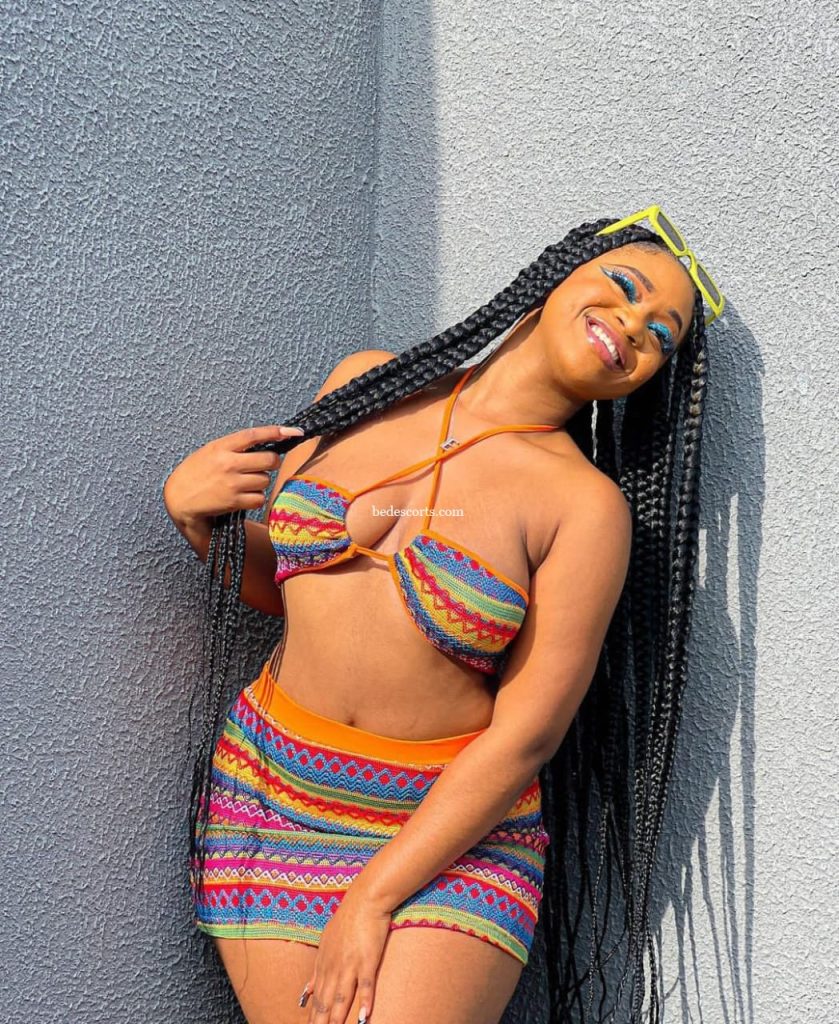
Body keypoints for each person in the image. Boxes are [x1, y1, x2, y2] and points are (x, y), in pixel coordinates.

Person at [163, 209, 723, 1024]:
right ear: (558, 273)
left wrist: (371, 897)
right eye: (623, 287)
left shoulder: (584, 508)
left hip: (445, 838)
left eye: (660, 335)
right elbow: (292, 587)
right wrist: (195, 520)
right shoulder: (370, 382)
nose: (634, 326)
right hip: (270, 794)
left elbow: (525, 737)